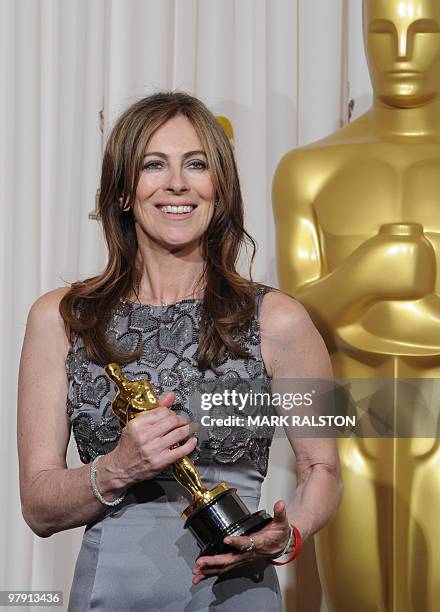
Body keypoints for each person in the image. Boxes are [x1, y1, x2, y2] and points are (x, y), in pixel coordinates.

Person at [17, 91, 343, 611]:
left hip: (238, 593)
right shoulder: (61, 319)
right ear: (124, 190)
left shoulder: (280, 320)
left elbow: (322, 469)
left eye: (197, 164)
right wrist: (118, 467)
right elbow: (38, 505)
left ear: (220, 189)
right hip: (110, 595)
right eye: (154, 164)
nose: (177, 183)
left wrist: (288, 536)